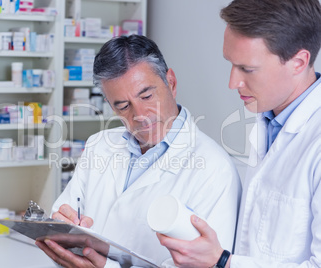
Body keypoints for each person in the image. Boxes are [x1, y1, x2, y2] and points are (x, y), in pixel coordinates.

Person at [36, 35, 241, 267]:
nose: (140, 114)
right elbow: (66, 215)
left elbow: (207, 263)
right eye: (122, 105)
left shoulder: (215, 169)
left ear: (171, 83)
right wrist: (62, 224)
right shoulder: (99, 145)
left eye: (147, 96)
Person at [157, 0, 321, 267]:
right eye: (231, 64)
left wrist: (223, 262)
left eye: (247, 69)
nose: (233, 83)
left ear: (298, 62)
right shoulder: (265, 117)